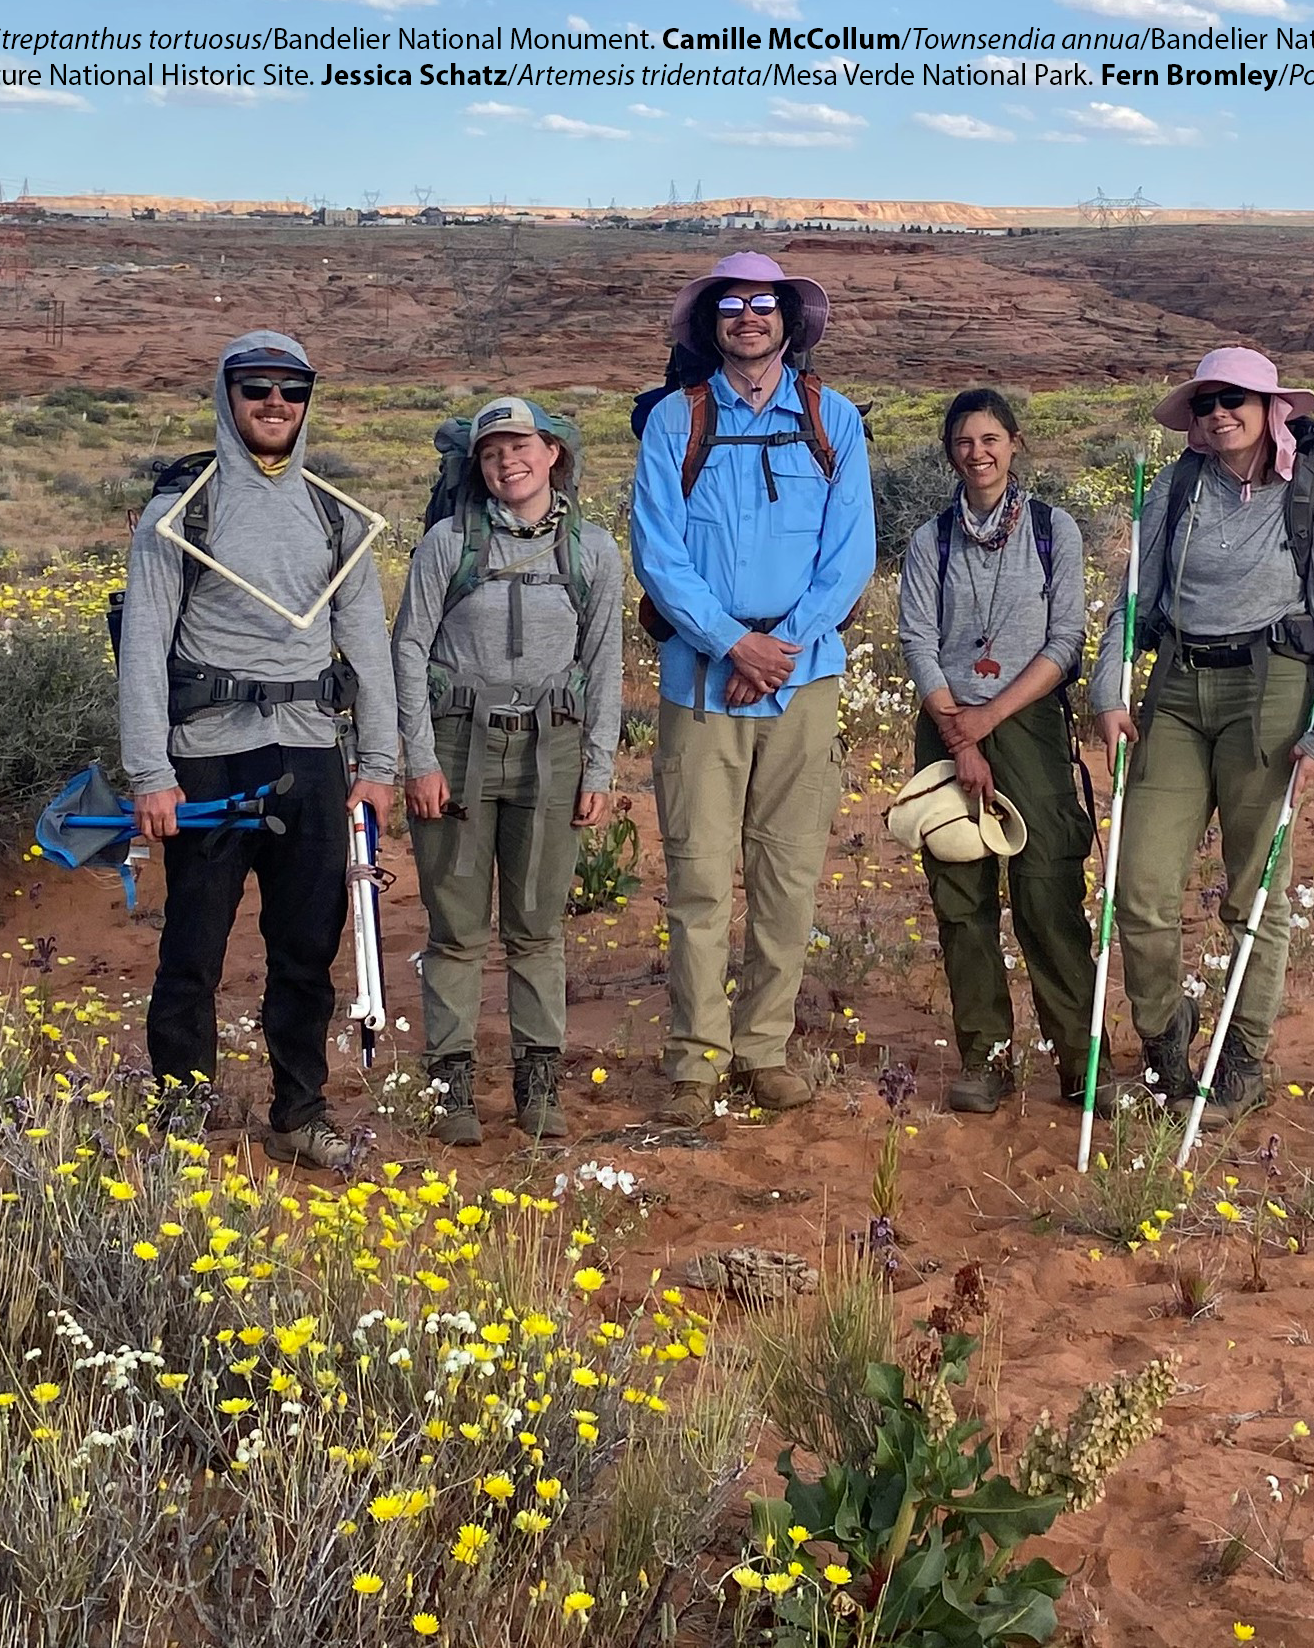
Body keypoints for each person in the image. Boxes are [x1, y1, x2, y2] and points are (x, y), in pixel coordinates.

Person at [118, 331, 399, 1170]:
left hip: (313, 755)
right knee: (193, 948)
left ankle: (298, 1113)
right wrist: (149, 772)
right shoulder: (183, 510)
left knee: (306, 947)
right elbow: (143, 644)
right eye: (256, 387)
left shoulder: (336, 515)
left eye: (292, 389)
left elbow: (369, 648)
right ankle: (179, 1114)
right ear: (227, 394)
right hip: (208, 758)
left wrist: (378, 763)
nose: (274, 402)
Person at [629, 252, 876, 1128]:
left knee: (787, 873)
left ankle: (763, 1047)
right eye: (730, 305)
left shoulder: (831, 419)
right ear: (712, 322)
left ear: (786, 320)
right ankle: (696, 1056)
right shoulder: (672, 421)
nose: (746, 317)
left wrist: (782, 645)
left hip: (803, 678)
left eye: (761, 304)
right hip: (702, 677)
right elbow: (658, 554)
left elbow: (850, 556)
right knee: (698, 875)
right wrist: (736, 642)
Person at [1089, 346, 1314, 1126]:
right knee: (1137, 888)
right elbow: (1129, 601)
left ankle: (1241, 1058)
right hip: (1175, 688)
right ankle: (1165, 1038)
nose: (1217, 413)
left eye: (1233, 398)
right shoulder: (1174, 489)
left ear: (1268, 406)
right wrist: (1109, 693)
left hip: (1269, 688)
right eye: (1205, 402)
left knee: (1252, 893)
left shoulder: (1308, 495)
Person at [393, 397, 624, 1146]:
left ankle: (538, 1083)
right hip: (458, 745)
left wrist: (599, 767)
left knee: (536, 925)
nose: (506, 461)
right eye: (491, 451)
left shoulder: (592, 550)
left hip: (551, 750)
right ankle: (451, 1084)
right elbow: (408, 648)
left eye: (519, 445)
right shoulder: (444, 545)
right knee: (455, 927)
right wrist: (418, 759)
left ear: (553, 452)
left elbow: (605, 665)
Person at [896, 389, 1099, 1114]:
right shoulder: (930, 541)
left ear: (1014, 444)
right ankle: (985, 1058)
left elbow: (1064, 639)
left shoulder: (1053, 529)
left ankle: (1080, 1060)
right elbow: (918, 640)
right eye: (962, 442)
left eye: (990, 439)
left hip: (1028, 721)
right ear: (948, 451)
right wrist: (958, 731)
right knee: (962, 896)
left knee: (1047, 892)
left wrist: (990, 719)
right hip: (946, 720)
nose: (976, 454)